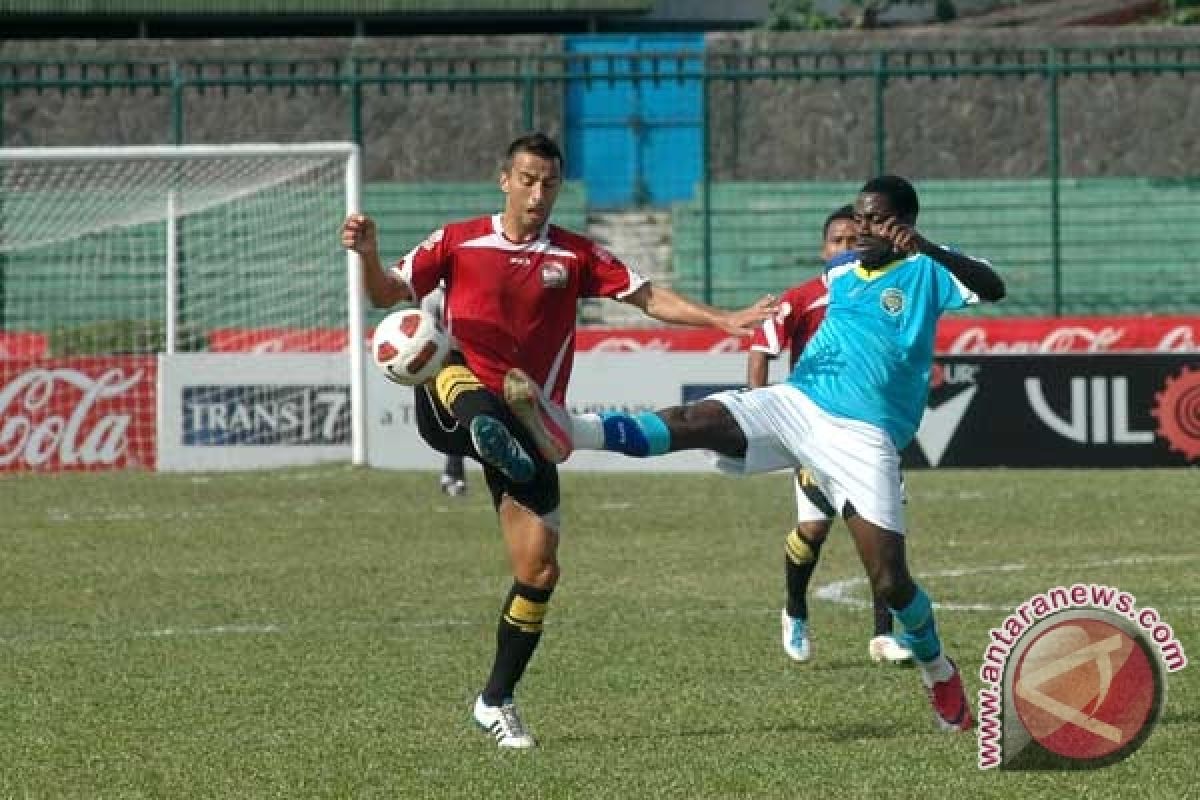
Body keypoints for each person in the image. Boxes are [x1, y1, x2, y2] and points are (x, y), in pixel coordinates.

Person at [341, 132, 775, 748]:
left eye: (549, 183)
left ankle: (495, 699)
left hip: (532, 422)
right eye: (528, 180)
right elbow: (388, 295)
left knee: (539, 571)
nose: (538, 193)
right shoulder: (458, 241)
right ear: (505, 180)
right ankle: (486, 424)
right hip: (453, 399)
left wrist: (721, 320)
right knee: (444, 359)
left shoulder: (575, 256)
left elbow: (648, 296)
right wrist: (368, 252)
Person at [542, 175, 1005, 732]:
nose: (859, 228)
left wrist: (924, 246)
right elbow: (793, 310)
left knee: (889, 581)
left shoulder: (930, 270)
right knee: (697, 420)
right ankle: (569, 429)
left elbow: (994, 286)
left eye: (873, 218)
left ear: (902, 222)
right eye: (857, 217)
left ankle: (937, 668)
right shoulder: (840, 272)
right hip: (799, 403)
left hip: (865, 437)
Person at [748, 205, 912, 666]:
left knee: (881, 534)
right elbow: (762, 348)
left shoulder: (883, 290)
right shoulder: (802, 297)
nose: (844, 247)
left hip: (871, 429)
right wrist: (763, 413)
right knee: (814, 529)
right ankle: (795, 609)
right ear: (823, 249)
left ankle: (883, 635)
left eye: (850, 239)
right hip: (815, 428)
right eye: (836, 241)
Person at [420, 285, 468, 497]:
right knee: (454, 421)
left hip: (472, 363)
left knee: (464, 422)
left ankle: (453, 474)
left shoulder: (469, 291)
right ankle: (453, 475)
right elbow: (426, 333)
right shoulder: (432, 298)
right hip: (446, 367)